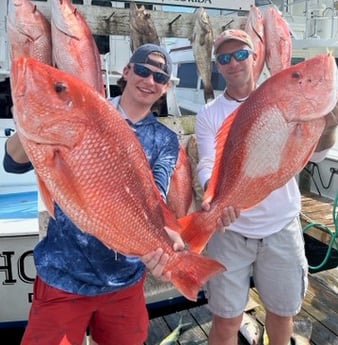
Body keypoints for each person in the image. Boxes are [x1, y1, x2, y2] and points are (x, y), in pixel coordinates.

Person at [4, 43, 185, 345]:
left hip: (125, 282)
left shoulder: (164, 139)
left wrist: (167, 245)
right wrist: (31, 119)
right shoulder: (87, 109)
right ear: (126, 72)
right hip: (63, 278)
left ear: (165, 88)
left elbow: (156, 195)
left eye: (159, 77)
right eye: (142, 70)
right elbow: (13, 163)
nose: (149, 80)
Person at [194, 29, 338, 345]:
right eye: (225, 58)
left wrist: (330, 124)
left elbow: (317, 153)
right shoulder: (209, 113)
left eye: (241, 54)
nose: (234, 62)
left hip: (281, 228)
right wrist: (213, 197)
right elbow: (208, 164)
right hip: (230, 232)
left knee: (282, 314)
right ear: (218, 65)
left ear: (254, 56)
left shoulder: (281, 97)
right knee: (225, 319)